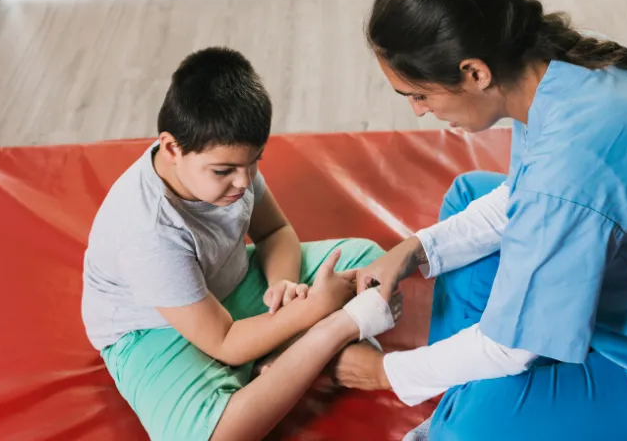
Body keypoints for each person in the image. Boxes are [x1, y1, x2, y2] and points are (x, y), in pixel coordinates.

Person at [335, 0, 627, 440]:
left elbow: (514, 345)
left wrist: (384, 373)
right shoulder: (564, 71)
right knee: (468, 195)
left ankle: (464, 411)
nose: (418, 110)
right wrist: (414, 248)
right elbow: (526, 197)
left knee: (468, 430)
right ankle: (468, 397)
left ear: (475, 73)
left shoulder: (577, 156)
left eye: (420, 95)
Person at [81, 47, 400, 441]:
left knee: (372, 264)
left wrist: (285, 288)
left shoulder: (229, 165)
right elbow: (224, 342)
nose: (244, 181)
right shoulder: (147, 231)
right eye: (225, 171)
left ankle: (281, 354)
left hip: (227, 282)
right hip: (157, 329)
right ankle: (319, 341)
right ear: (171, 148)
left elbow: (274, 232)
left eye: (255, 162)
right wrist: (314, 310)